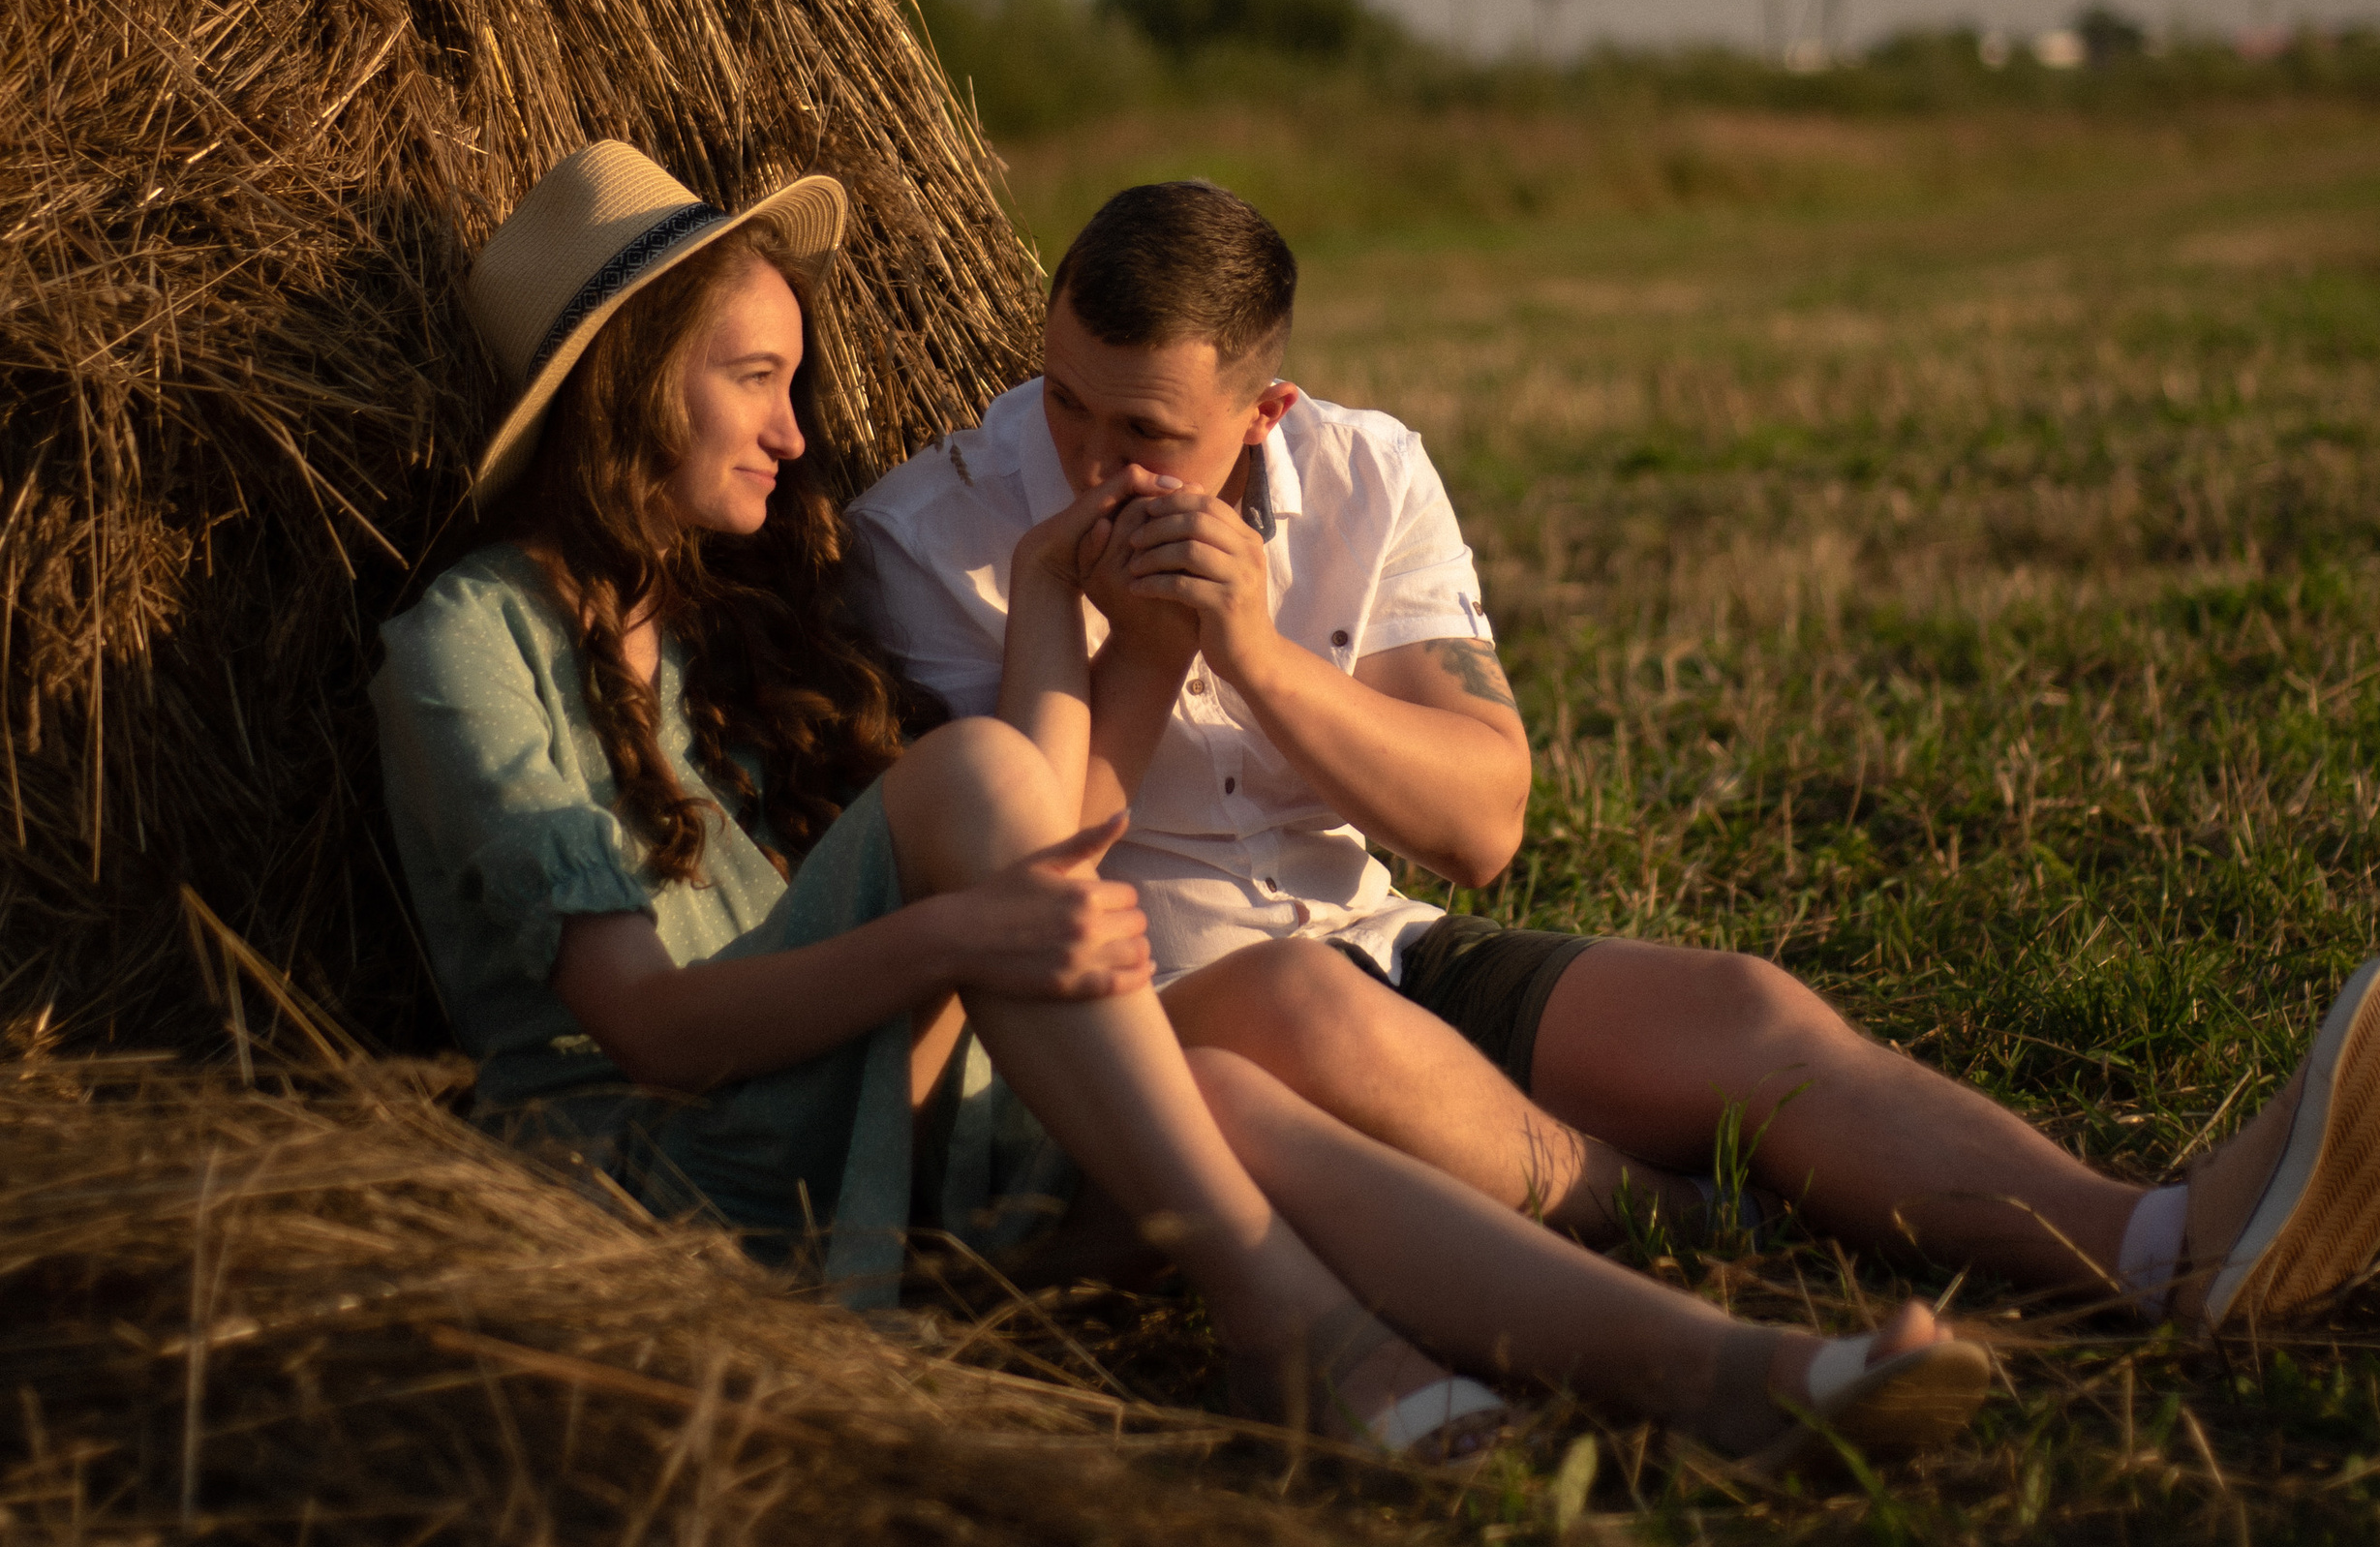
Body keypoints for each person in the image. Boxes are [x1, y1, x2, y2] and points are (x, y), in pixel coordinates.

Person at [371, 140, 1996, 1475]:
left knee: (1222, 1089)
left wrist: (1099, 628)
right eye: (755, 380)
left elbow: (1052, 851)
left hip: (888, 1117)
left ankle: (1730, 1370)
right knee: (983, 790)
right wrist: (952, 932)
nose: (800, 436)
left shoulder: (740, 626)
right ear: (628, 384)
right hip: (678, 1167)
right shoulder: (466, 647)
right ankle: (1295, 1323)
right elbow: (654, 1031)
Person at [847, 179, 2380, 1337]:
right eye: (1064, 400)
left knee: (1745, 1010)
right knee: (1307, 1008)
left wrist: (1259, 657)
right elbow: (1021, 875)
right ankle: (1695, 1218)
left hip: (1379, 941)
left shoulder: (1364, 471)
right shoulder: (929, 537)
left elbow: (1482, 821)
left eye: (1146, 433)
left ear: (1265, 410)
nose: (1088, 457)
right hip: (1151, 1024)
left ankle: (2162, 1244)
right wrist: (1137, 647)